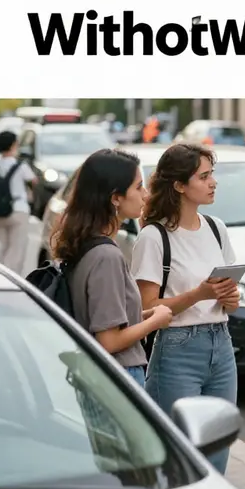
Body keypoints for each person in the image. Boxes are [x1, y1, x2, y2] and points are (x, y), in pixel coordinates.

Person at [130, 143, 240, 473]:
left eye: (212, 175)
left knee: (218, 448)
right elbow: (146, 308)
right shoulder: (154, 236)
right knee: (179, 455)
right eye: (203, 176)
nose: (213, 182)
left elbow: (228, 298)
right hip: (177, 350)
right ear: (179, 185)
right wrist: (199, 294)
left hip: (221, 345)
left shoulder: (216, 228)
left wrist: (228, 299)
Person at [52, 148, 173, 387]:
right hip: (119, 377)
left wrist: (144, 316)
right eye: (138, 187)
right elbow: (108, 340)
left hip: (99, 376)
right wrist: (156, 320)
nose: (146, 195)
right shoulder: (106, 256)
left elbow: (104, 317)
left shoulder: (85, 246)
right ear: (115, 198)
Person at [0, 130, 37, 274]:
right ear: (14, 145)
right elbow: (34, 181)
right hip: (18, 210)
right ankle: (11, 279)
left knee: (2, 246)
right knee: (16, 249)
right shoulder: (21, 166)